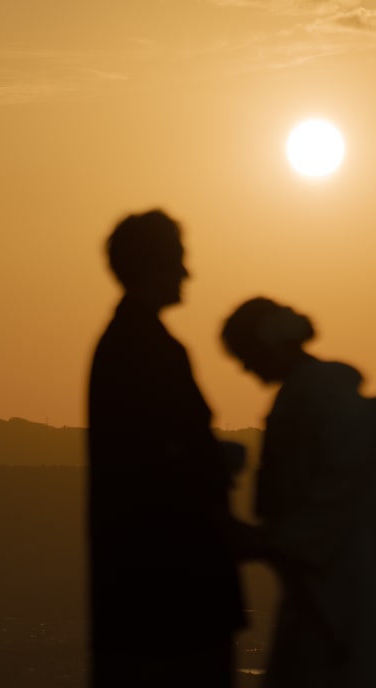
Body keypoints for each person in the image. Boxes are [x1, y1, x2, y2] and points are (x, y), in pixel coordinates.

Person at [221, 297, 376, 688]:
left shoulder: (319, 397)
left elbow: (335, 494)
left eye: (245, 355)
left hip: (339, 583)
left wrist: (272, 540)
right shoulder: (311, 394)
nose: (245, 367)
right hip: (324, 582)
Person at [87, 210, 245, 688]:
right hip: (173, 601)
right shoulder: (148, 349)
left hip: (146, 599)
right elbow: (168, 466)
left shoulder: (125, 345)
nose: (187, 273)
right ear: (153, 264)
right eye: (178, 259)